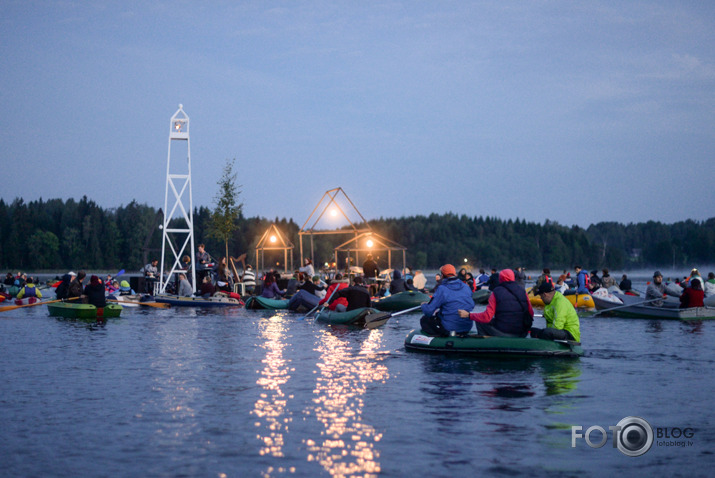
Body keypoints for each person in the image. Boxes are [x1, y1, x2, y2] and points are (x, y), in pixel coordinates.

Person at [459, 269, 533, 337]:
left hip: (504, 332)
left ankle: (486, 346)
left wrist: (469, 315)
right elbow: (531, 313)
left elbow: (487, 317)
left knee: (480, 321)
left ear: (500, 278)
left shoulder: (496, 292)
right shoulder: (523, 291)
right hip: (522, 332)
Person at [421, 264, 474, 336]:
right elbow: (471, 305)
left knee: (424, 320)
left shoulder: (442, 289)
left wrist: (423, 305)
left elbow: (429, 311)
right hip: (467, 326)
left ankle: (439, 339)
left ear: (442, 275)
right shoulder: (466, 287)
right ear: (455, 274)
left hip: (448, 327)